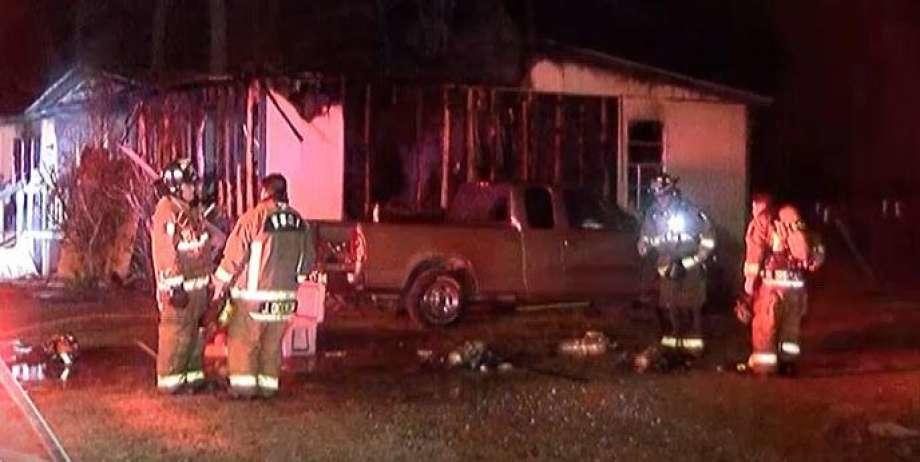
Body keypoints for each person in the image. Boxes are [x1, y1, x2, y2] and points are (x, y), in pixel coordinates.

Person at [211, 174, 314, 399]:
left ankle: (243, 388)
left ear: (265, 192)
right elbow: (306, 266)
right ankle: (268, 387)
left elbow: (234, 257)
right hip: (285, 302)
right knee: (271, 346)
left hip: (252, 299)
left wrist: (217, 285)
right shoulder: (301, 223)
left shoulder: (254, 218)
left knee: (244, 343)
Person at [637, 173, 716, 363]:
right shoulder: (653, 214)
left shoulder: (691, 212)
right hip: (666, 264)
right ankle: (672, 347)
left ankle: (693, 349)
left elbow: (709, 240)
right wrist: (643, 245)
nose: (660, 199)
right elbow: (646, 237)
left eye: (663, 195)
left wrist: (693, 261)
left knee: (690, 307)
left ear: (673, 193)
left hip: (690, 265)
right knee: (669, 306)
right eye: (657, 195)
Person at [151, 159, 214, 394]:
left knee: (195, 336)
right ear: (176, 186)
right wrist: (175, 286)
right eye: (190, 185)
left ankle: (193, 378)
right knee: (176, 335)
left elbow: (201, 250)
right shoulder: (167, 211)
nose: (194, 189)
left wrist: (208, 283)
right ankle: (172, 383)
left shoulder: (191, 211)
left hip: (196, 289)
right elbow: (165, 250)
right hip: (180, 291)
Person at [743, 203, 825, 375]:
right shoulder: (801, 225)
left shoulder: (762, 223)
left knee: (765, 327)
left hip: (771, 288)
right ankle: (788, 363)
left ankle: (764, 366)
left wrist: (749, 282)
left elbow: (754, 254)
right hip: (796, 290)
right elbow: (814, 260)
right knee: (790, 329)